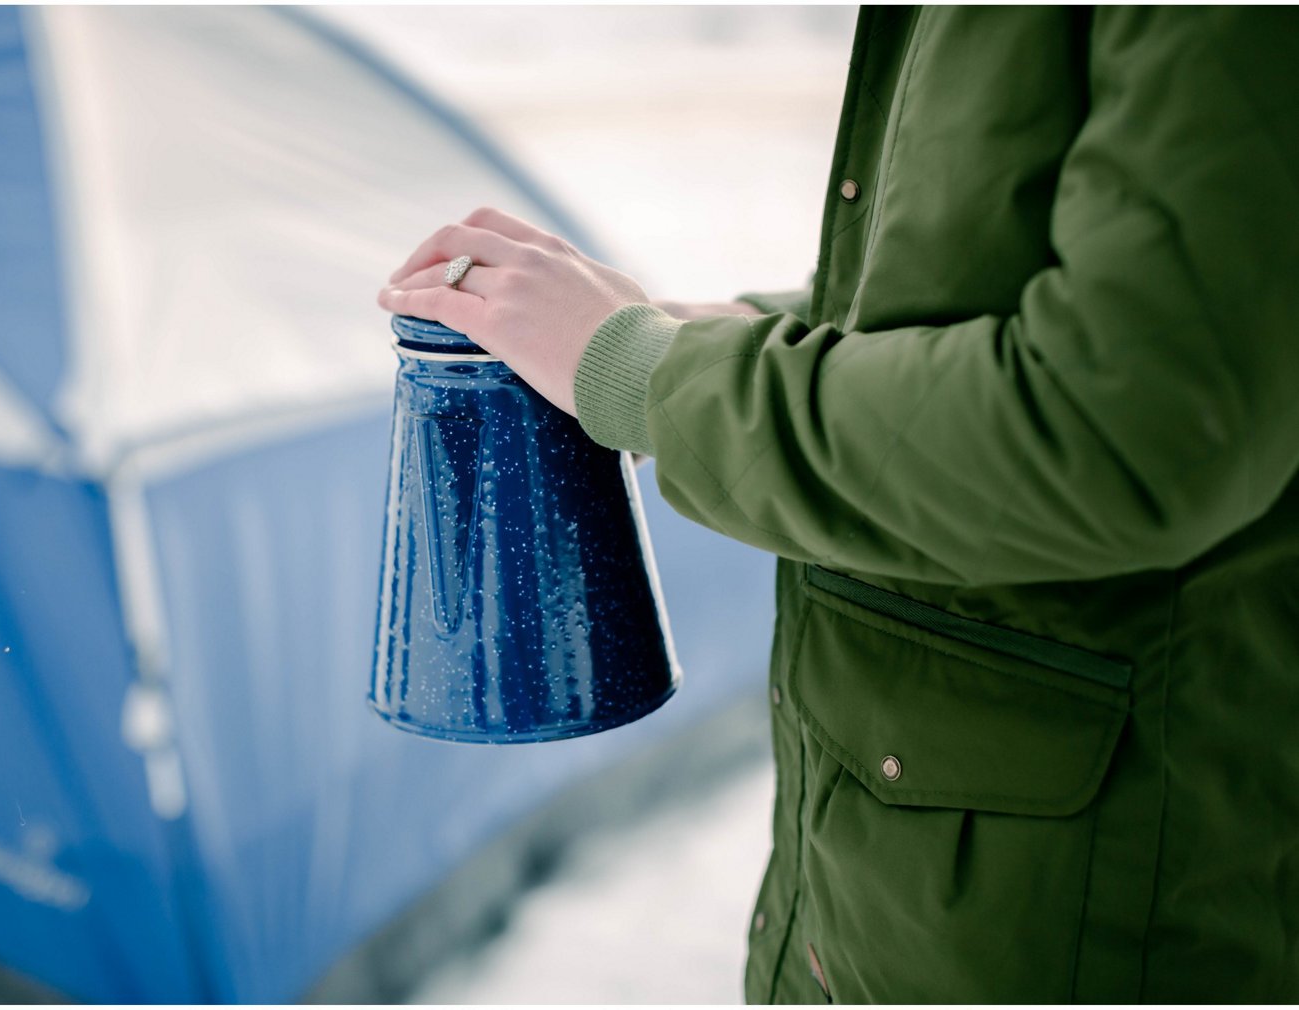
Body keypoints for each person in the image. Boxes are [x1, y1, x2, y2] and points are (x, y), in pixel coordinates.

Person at [378, 7, 1299, 1003]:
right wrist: (698, 334)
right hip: (876, 904)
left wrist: (648, 375)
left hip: (1075, 923)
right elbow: (965, 284)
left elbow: (1128, 426)